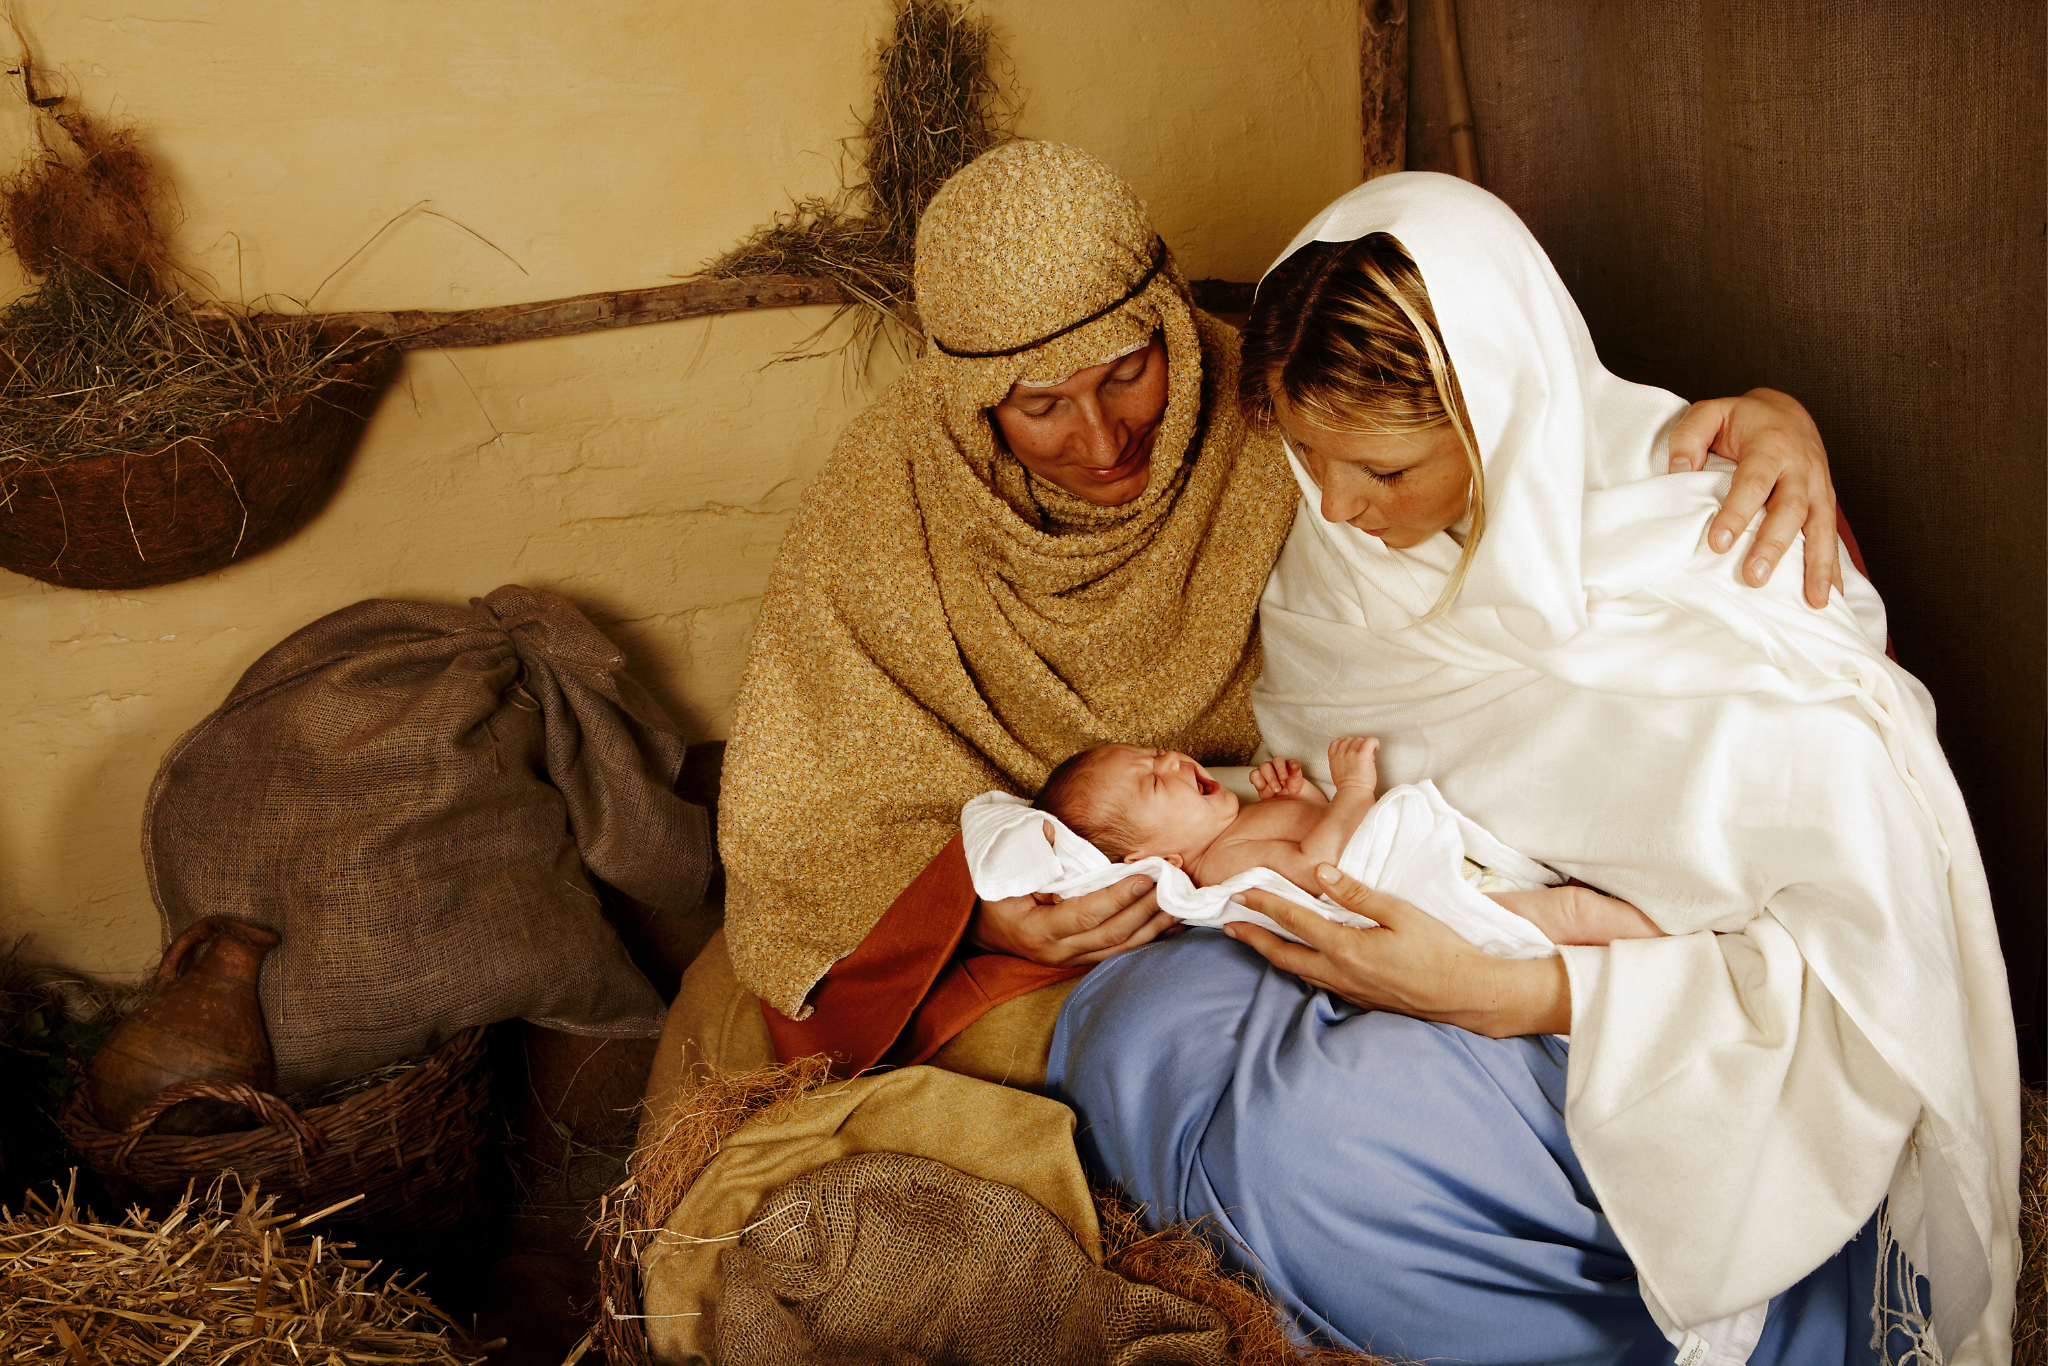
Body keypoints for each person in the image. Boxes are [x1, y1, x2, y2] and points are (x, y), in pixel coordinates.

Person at [1046, 173, 2020, 1365]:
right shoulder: (1341, 566)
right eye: (1306, 454)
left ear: (1502, 415)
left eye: (1385, 472)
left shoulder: (1712, 555)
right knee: (1119, 1025)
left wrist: (1496, 989)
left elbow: (1855, 970)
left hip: (1616, 1010)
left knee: (1313, 1145)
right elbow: (1324, 762)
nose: (1338, 507)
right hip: (1417, 917)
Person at [716, 140, 1846, 1082]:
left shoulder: (1275, 425)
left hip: (1293, 843)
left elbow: (1530, 446)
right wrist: (984, 913)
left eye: (1123, 372)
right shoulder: (883, 505)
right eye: (1039, 405)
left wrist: (1763, 415)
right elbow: (799, 823)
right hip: (1088, 929)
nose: (1103, 440)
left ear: (1165, 320)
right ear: (968, 404)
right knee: (1166, 1065)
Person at [1031, 738, 1657, 946]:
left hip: (1427, 876)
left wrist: (1300, 801)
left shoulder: (1236, 830)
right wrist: (1354, 788)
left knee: (1567, 909)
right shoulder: (1221, 865)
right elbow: (1322, 869)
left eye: (1155, 752)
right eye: (1150, 781)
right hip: (1427, 906)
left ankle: (1650, 934)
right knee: (1568, 913)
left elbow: (1308, 838)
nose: (1169, 760)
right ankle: (1689, 949)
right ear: (1158, 859)